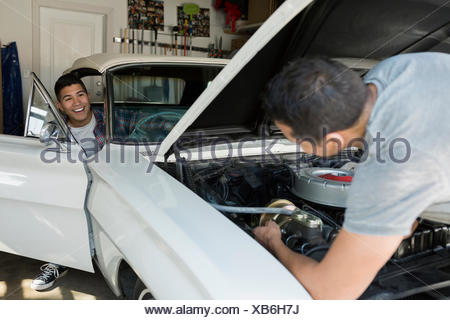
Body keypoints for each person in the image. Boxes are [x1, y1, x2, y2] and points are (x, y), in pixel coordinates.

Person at [254, 53, 450, 299]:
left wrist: (274, 243)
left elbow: (329, 292)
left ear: (333, 140)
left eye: (296, 141)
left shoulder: (390, 173)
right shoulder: (396, 68)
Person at [30, 74, 104, 291]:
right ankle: (59, 260)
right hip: (73, 188)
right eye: (68, 98)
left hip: (109, 185)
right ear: (59, 105)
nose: (77, 103)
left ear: (88, 96)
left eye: (80, 95)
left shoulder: (111, 118)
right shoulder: (53, 131)